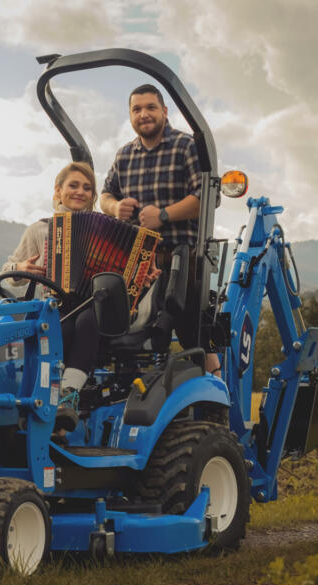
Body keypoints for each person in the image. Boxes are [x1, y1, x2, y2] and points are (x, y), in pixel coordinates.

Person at [99, 83, 219, 374]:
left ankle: (216, 394)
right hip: (135, 261)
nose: (144, 114)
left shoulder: (185, 146)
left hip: (180, 257)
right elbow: (104, 196)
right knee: (122, 334)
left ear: (164, 111)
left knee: (194, 335)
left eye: (150, 107)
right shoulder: (124, 155)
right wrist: (115, 207)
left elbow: (207, 198)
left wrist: (163, 215)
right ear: (130, 116)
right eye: (137, 109)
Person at [0, 161, 100, 430]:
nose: (80, 192)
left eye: (87, 188)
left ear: (93, 196)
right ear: (58, 191)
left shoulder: (103, 231)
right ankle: (41, 410)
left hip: (92, 306)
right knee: (60, 329)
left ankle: (69, 396)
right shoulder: (39, 230)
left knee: (87, 321)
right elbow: (9, 273)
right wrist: (19, 268)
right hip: (55, 307)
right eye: (73, 185)